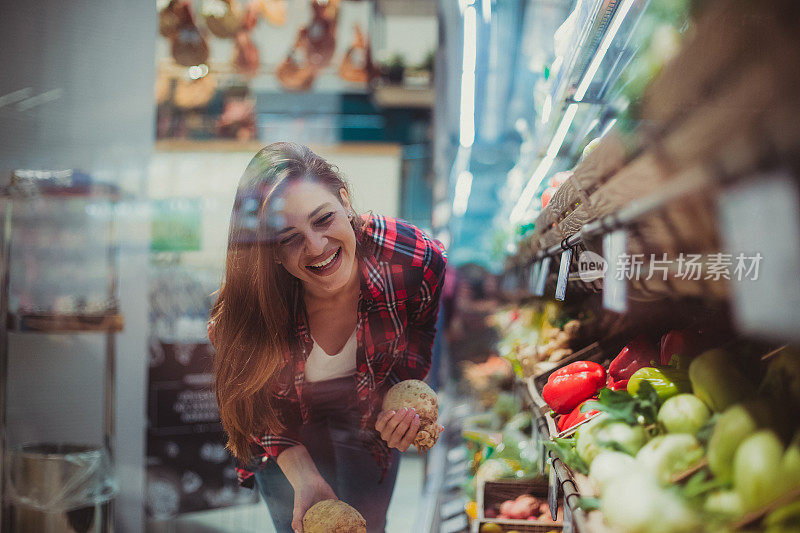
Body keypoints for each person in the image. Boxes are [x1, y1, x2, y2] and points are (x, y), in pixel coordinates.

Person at [208, 142, 447, 532]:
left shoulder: (413, 259)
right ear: (271, 252)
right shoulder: (252, 303)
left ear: (345, 200)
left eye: (323, 219)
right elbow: (250, 406)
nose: (316, 246)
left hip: (366, 414)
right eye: (289, 238)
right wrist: (303, 475)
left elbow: (421, 329)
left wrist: (399, 398)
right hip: (283, 423)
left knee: (365, 526)